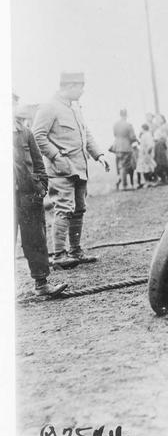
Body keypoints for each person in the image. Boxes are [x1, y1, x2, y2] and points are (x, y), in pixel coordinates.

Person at [32, 71, 110, 266]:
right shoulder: (49, 107)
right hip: (60, 170)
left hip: (79, 168)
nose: (82, 91)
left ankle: (75, 251)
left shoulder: (74, 108)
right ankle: (59, 255)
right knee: (64, 209)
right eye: (80, 87)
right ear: (69, 86)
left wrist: (99, 155)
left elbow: (86, 134)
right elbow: (38, 135)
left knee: (79, 210)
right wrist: (56, 156)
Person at [13, 93, 68, 296]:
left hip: (28, 197)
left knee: (35, 239)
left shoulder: (25, 132)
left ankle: (42, 284)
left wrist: (41, 187)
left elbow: (38, 162)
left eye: (12, 103)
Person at [111, 108, 138, 190]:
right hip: (126, 147)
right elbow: (132, 137)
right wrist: (135, 140)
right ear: (126, 115)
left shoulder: (116, 124)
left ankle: (123, 184)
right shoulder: (129, 125)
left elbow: (115, 134)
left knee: (120, 165)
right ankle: (125, 185)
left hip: (117, 146)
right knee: (125, 166)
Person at [153, 114, 168, 184]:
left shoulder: (164, 127)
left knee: (167, 161)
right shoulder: (158, 128)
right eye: (157, 119)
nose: (157, 120)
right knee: (162, 162)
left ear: (162, 119)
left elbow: (164, 137)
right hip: (159, 145)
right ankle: (165, 178)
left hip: (163, 145)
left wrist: (158, 141)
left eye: (159, 119)